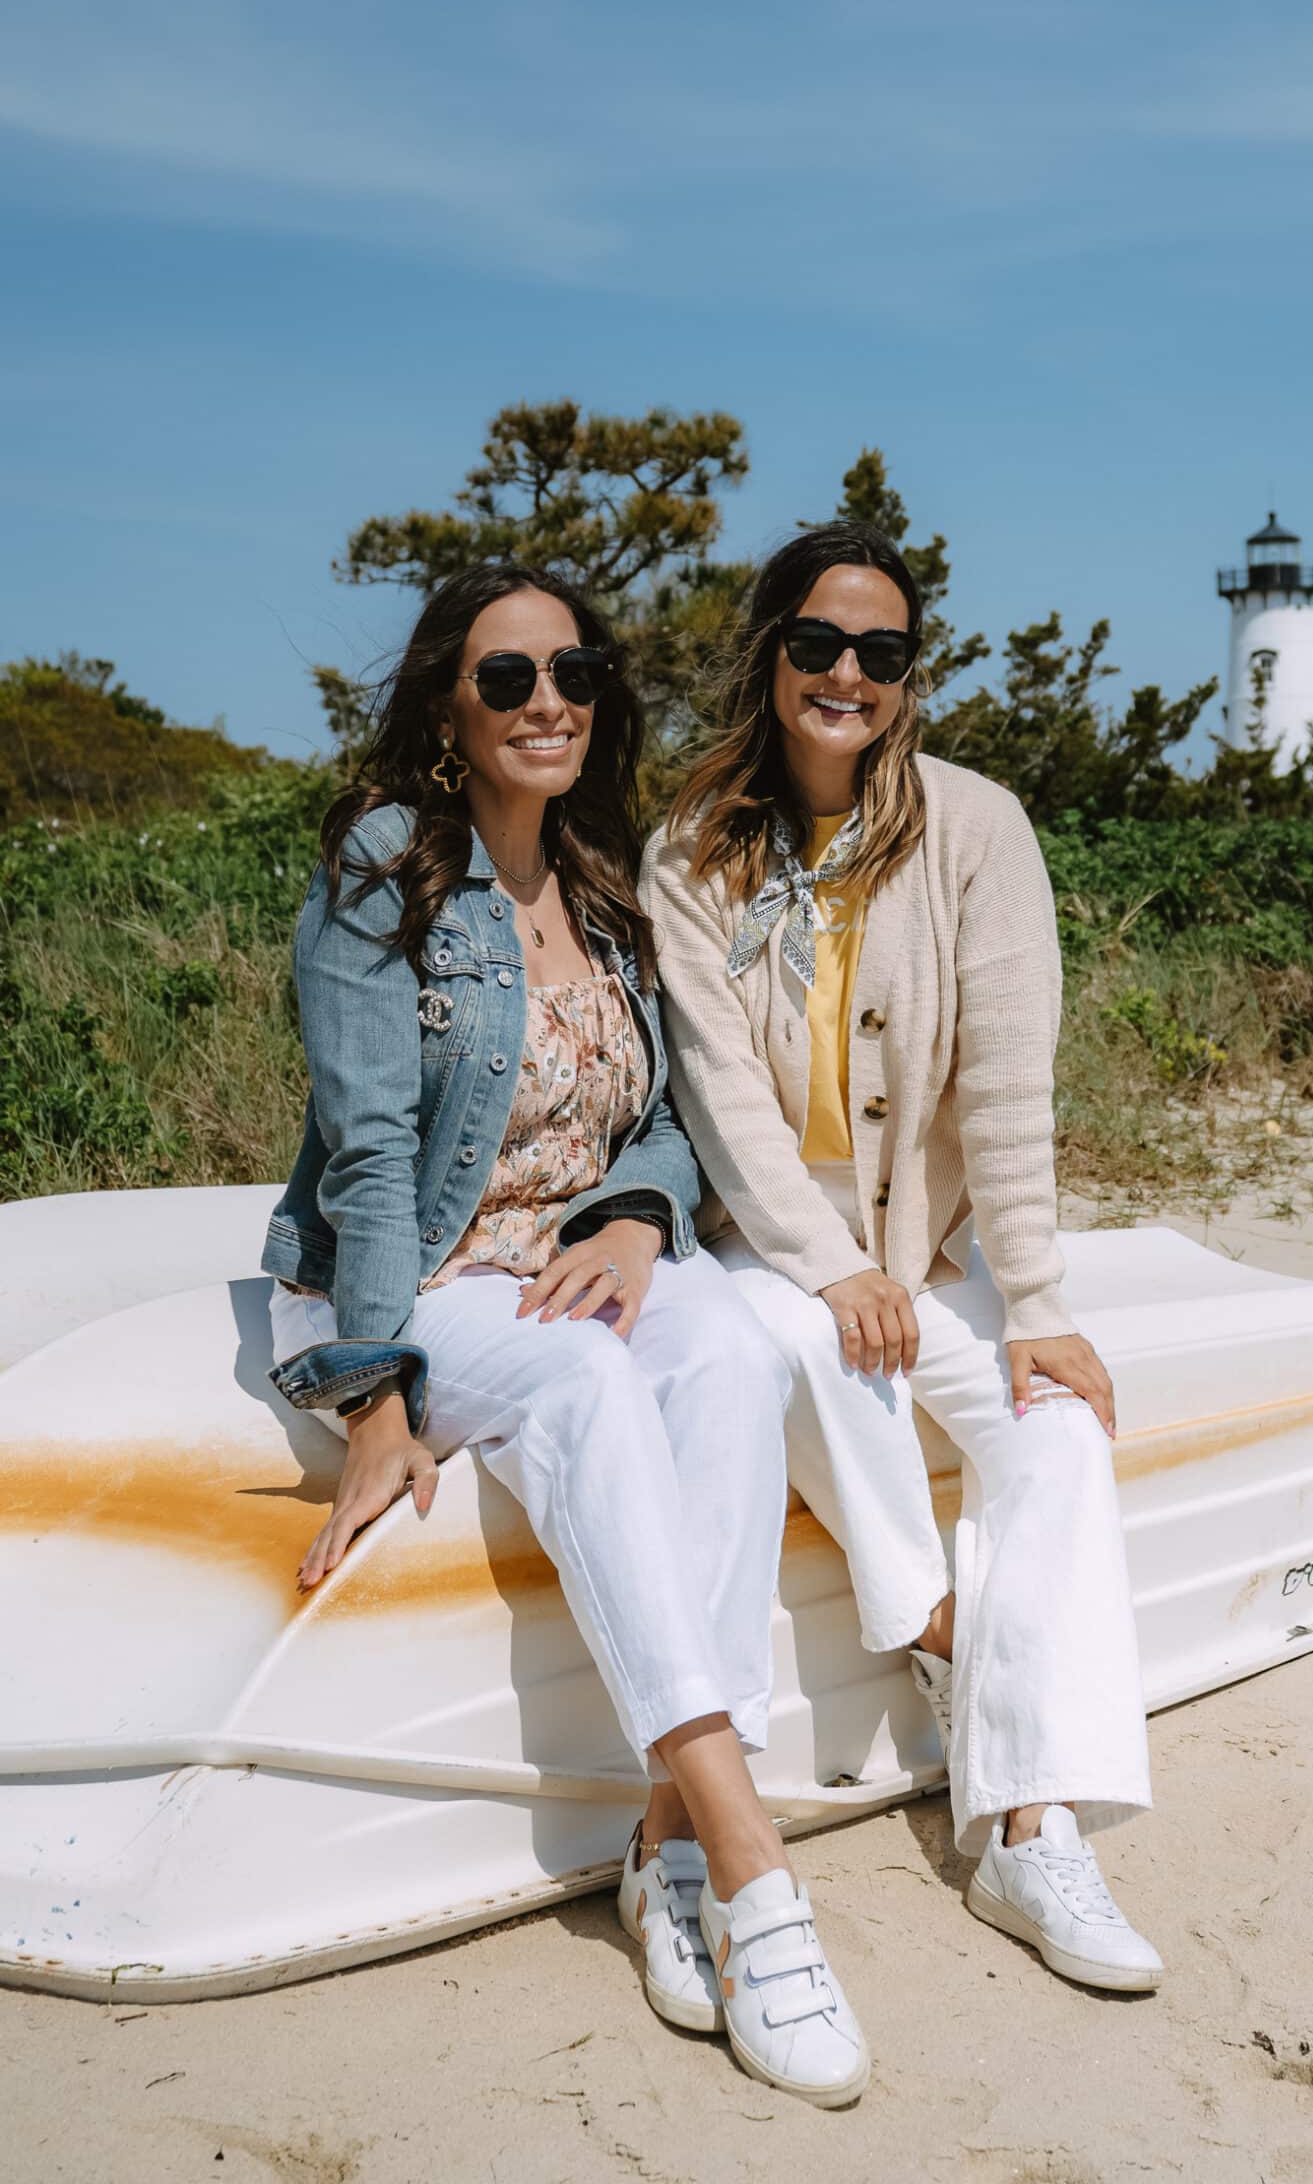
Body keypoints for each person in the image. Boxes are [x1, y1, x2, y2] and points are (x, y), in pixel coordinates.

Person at [262, 562, 870, 2106]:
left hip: (569, 1261)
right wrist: (374, 1396)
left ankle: (658, 1840)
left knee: (728, 1350)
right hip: (415, 1277)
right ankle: (749, 1867)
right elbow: (370, 1154)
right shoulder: (387, 864)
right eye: (509, 679)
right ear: (446, 709)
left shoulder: (606, 877)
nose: (550, 705)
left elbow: (661, 1120)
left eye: (576, 676)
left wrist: (636, 1215)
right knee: (592, 1393)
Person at [642, 521, 1162, 1993]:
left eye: (880, 652)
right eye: (816, 644)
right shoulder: (690, 852)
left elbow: (1006, 1085)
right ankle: (932, 1623)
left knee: (1059, 1435)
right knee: (805, 1343)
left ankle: (1028, 1824)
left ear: (908, 674)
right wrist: (826, 1263)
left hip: (928, 1255)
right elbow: (720, 1098)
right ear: (769, 656)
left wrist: (1039, 1304)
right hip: (770, 1245)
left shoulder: (978, 827)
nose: (846, 675)